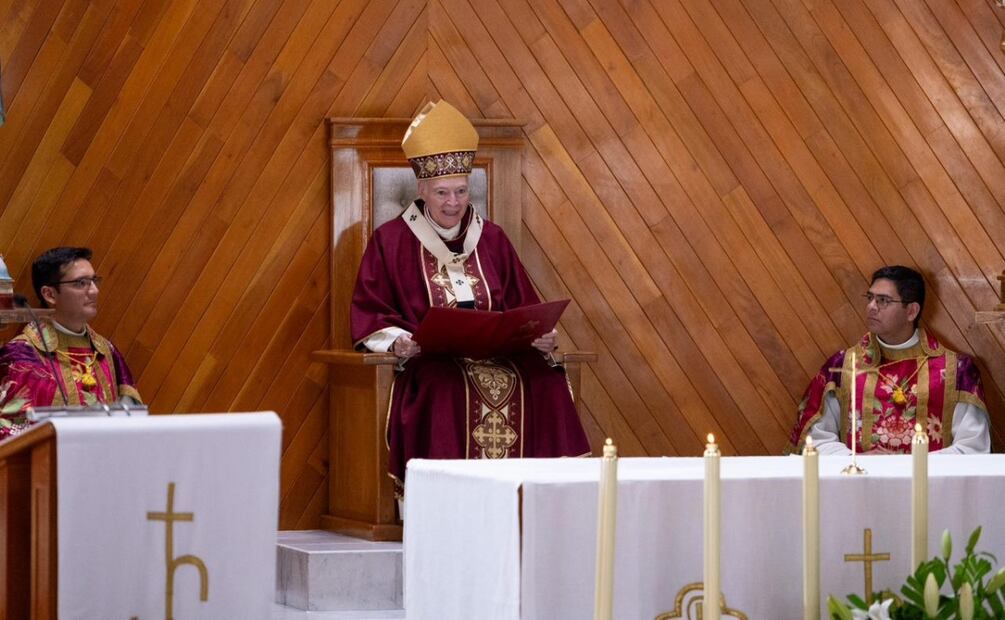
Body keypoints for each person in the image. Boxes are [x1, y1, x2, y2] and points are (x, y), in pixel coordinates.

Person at [350, 101, 591, 490]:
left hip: (500, 354)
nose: (453, 203)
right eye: (442, 192)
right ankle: (445, 500)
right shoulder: (391, 241)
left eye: (461, 192)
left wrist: (541, 336)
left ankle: (544, 495)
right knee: (443, 388)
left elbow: (524, 306)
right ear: (422, 189)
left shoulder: (491, 237)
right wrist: (399, 343)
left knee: (546, 380)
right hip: (432, 360)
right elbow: (371, 312)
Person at [787, 266, 989, 455]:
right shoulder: (843, 365)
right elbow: (814, 441)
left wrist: (907, 465)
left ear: (911, 311)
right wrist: (859, 460)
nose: (871, 307)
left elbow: (973, 448)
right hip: (858, 485)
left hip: (930, 489)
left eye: (883, 300)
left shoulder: (957, 370)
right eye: (870, 298)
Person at [0, 247, 141, 438]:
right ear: (49, 294)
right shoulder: (23, 355)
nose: (94, 290)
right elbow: (11, 435)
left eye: (94, 280)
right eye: (81, 283)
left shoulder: (106, 350)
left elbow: (133, 420)